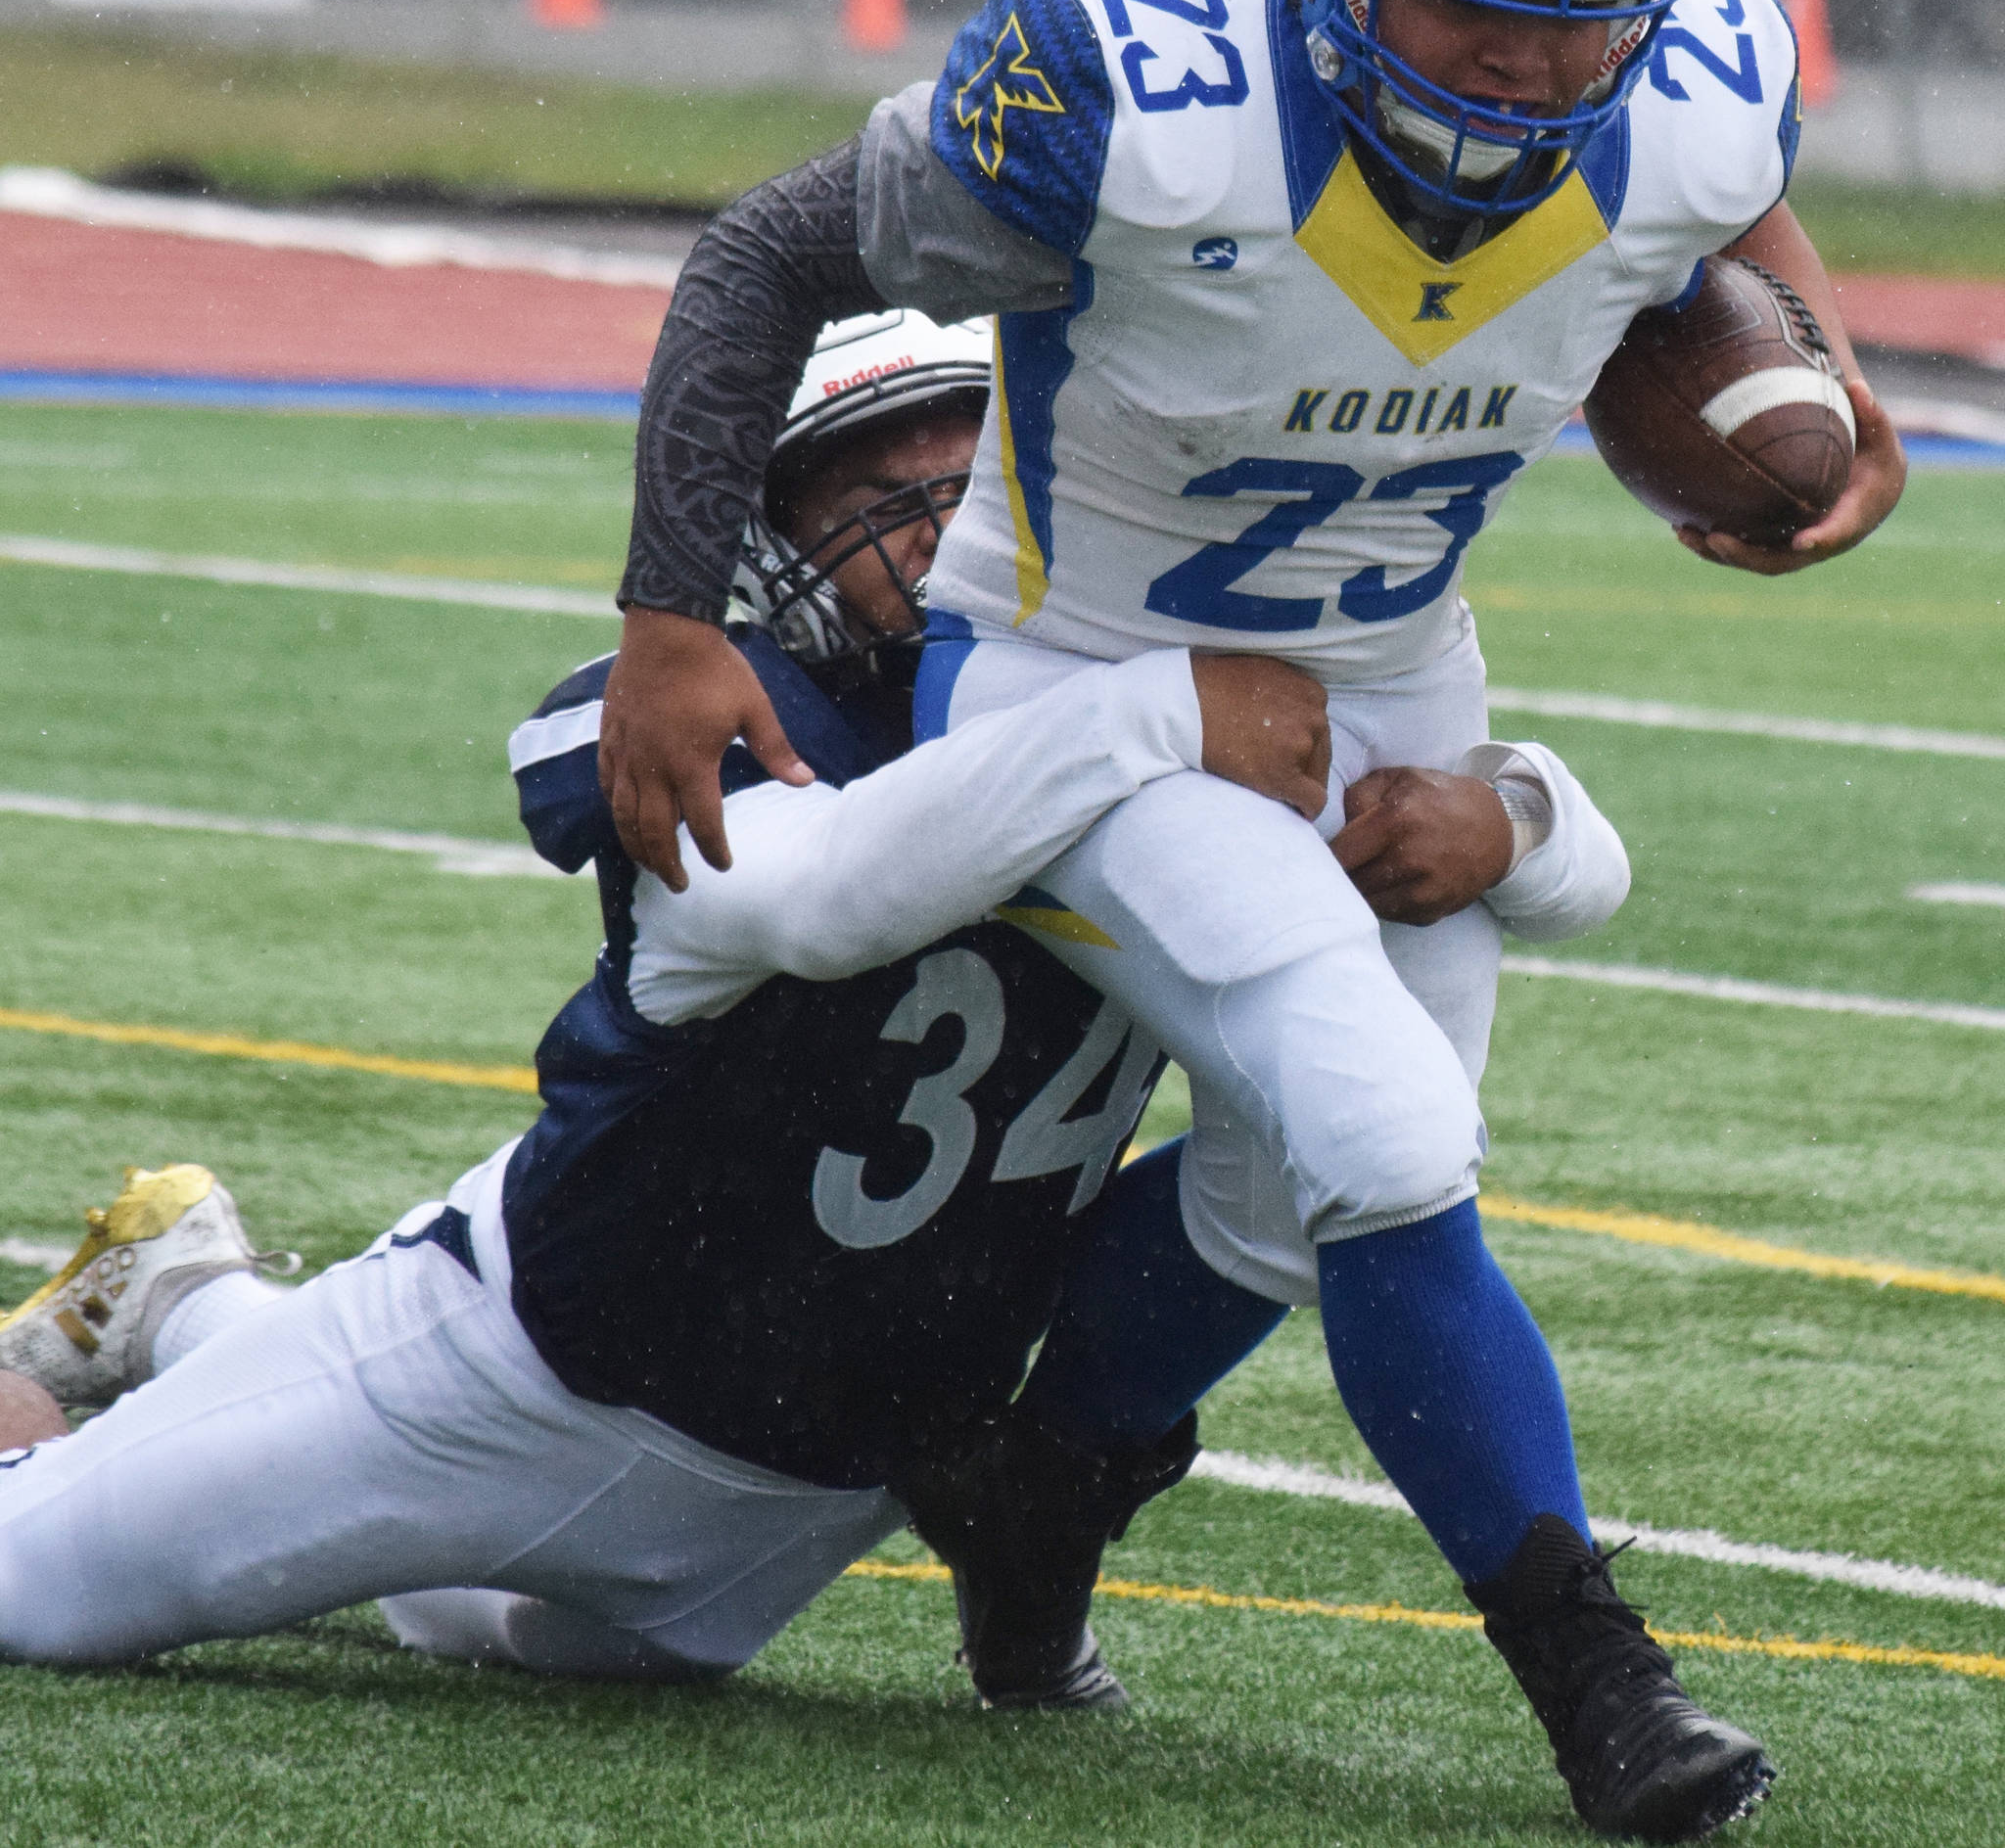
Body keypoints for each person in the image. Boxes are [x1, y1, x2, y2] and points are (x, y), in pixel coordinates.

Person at [589, 0, 1908, 1839]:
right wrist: (660, 613)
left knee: (1287, 1201)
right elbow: (768, 256)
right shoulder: (1129, 71)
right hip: (1078, 669)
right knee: (1381, 1129)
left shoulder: (1687, 67)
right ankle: (1601, 1686)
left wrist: (1820, 394)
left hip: (1394, 667)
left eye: (1585, 16)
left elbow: (1728, 202)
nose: (1531, 62)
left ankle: (1036, 1498)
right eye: (1465, 2)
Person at [0, 314, 1618, 1713]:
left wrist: (1514, 816)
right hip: (502, 1373)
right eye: (876, 492)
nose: (932, 531)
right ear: (775, 535)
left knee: (444, 1616)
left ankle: (191, 1298)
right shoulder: (756, 720)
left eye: (967, 485)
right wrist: (1152, 715)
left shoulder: (1179, 740)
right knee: (27, 1588)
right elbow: (815, 894)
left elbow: (1555, 867)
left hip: (792, 1515)